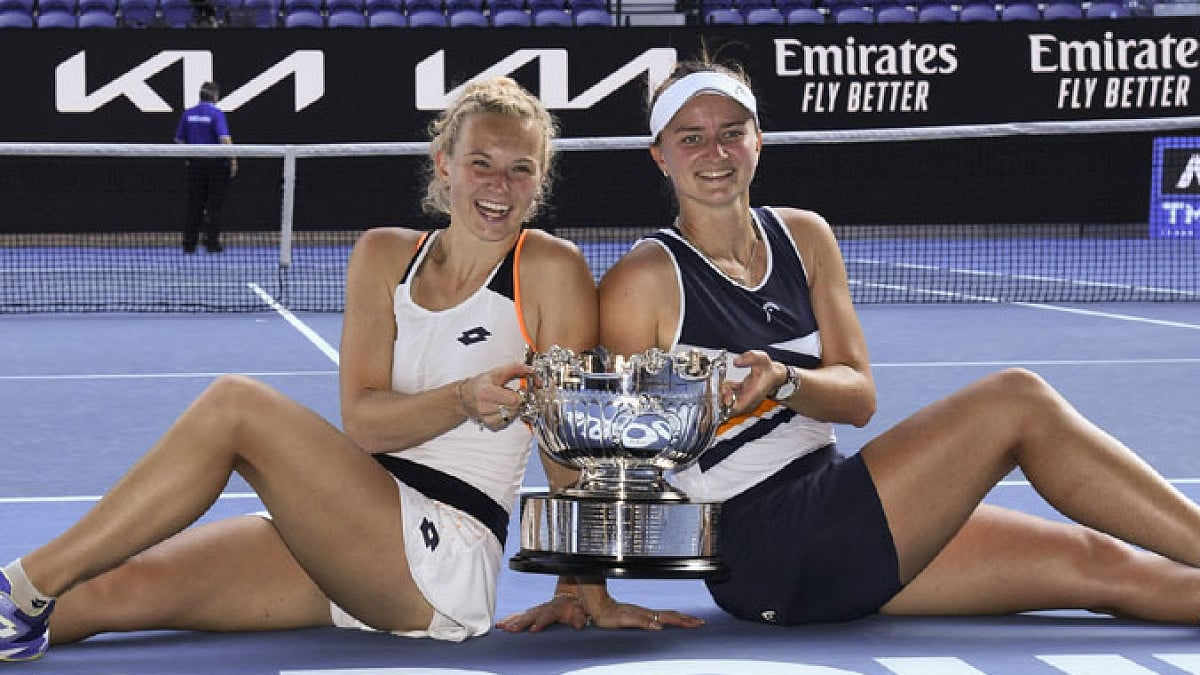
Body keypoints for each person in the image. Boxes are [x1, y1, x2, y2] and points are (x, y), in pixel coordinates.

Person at [497, 57, 1200, 633]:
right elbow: (599, 450)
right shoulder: (644, 280)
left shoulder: (805, 237)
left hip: (839, 506)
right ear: (660, 157)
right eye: (691, 137)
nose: (714, 153)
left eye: (731, 132)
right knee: (1016, 400)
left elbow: (860, 397)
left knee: (1102, 564)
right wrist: (580, 579)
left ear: (758, 141)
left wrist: (784, 378)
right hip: (766, 544)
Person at [0, 76, 598, 662]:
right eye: (481, 163)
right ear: (444, 163)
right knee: (97, 595)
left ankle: (19, 583)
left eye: (521, 167)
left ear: (540, 180)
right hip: (347, 531)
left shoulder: (550, 268)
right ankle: (25, 599)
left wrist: (578, 587)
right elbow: (365, 422)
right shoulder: (383, 254)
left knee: (236, 406)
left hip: (441, 560)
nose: (500, 184)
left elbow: (568, 447)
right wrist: (462, 397)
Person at [174, 81, 237, 254]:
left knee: (194, 204)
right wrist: (233, 160)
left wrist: (189, 156)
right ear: (215, 96)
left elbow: (179, 141)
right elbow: (224, 139)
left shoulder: (188, 114)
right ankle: (212, 243)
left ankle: (189, 243)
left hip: (195, 164)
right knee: (214, 205)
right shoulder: (216, 114)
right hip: (216, 165)